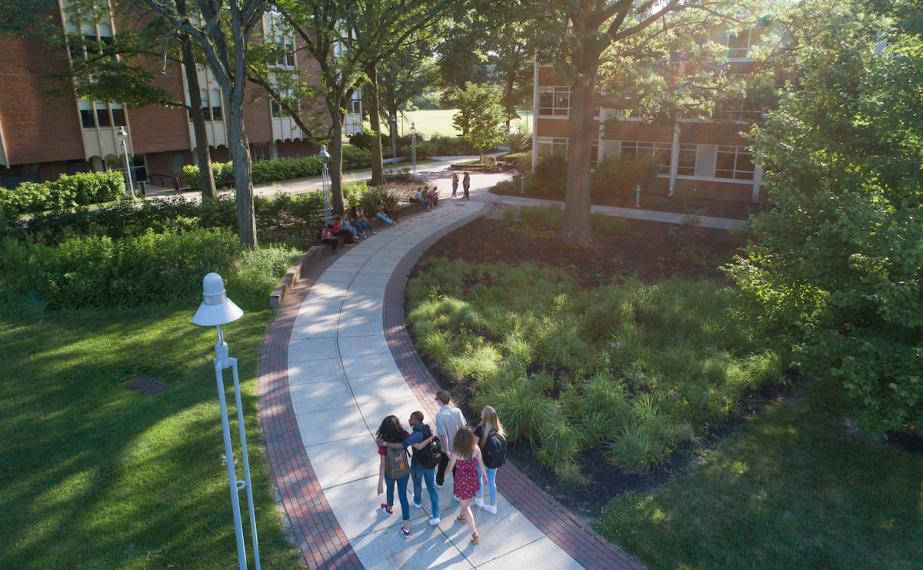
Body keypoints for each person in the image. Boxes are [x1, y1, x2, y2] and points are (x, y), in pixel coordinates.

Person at [380, 411, 441, 526]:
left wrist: (385, 444)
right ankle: (436, 515)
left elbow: (405, 445)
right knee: (431, 487)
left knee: (417, 484)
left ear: (417, 420)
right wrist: (432, 436)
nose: (409, 420)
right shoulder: (427, 428)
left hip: (419, 464)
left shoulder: (416, 435)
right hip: (430, 464)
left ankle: (417, 501)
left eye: (411, 418)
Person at [446, 428, 488, 545]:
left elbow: (450, 468)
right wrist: (485, 476)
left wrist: (444, 474)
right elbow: (482, 465)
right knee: (466, 501)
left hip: (462, 482)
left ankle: (475, 534)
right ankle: (461, 516)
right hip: (473, 480)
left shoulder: (457, 452)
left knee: (465, 507)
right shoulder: (476, 449)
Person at [376, 415, 413, 538]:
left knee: (390, 488)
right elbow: (412, 442)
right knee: (403, 497)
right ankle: (406, 528)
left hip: (389, 472)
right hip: (403, 470)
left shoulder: (382, 440)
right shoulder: (404, 434)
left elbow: (382, 464)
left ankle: (389, 507)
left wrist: (380, 483)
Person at [473, 406, 507, 515]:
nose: (481, 414)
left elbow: (473, 445)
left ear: (485, 416)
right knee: (492, 482)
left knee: (478, 477)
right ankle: (493, 505)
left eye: (482, 412)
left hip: (482, 460)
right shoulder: (499, 430)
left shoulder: (480, 429)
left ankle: (480, 499)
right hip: (493, 462)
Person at [434, 390, 467, 488]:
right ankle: (457, 491)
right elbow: (463, 427)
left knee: (443, 464)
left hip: (447, 447)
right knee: (457, 467)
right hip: (458, 444)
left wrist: (446, 451)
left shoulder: (440, 416)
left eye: (437, 400)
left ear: (440, 401)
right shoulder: (457, 411)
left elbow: (443, 436)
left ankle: (439, 482)